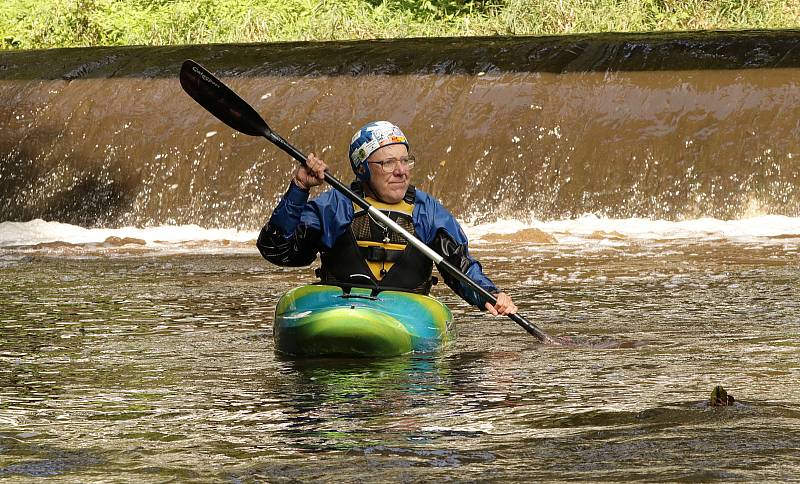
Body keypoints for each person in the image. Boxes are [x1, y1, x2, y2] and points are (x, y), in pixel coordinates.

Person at [257, 121, 517, 316]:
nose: (401, 171)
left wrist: (489, 294)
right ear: (362, 169)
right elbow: (279, 251)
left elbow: (459, 267)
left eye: (405, 161)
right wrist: (300, 187)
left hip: (405, 314)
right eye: (388, 163)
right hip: (339, 310)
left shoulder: (427, 211)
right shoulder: (334, 206)